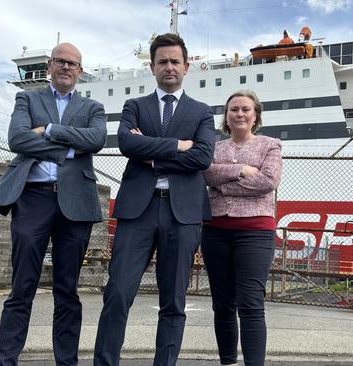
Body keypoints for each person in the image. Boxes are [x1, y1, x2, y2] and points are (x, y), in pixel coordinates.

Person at [93, 33, 215, 366]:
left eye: (175, 61)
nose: (169, 67)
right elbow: (127, 145)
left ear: (187, 66)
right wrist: (178, 146)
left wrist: (152, 153)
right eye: (162, 61)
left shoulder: (202, 112)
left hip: (183, 213)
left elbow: (203, 157)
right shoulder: (135, 106)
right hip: (138, 211)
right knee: (117, 292)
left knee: (173, 301)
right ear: (152, 67)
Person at [0, 42, 107, 366]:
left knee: (67, 290)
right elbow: (18, 139)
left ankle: (66, 362)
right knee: (22, 286)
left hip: (76, 205)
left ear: (80, 71)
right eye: (60, 61)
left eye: (73, 63)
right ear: (50, 65)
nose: (66, 67)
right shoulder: (27, 98)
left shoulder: (92, 108)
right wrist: (68, 149)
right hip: (33, 199)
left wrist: (51, 130)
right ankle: (6, 360)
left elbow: (96, 140)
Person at [201, 90, 282, 366]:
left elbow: (268, 181)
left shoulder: (270, 145)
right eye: (234, 109)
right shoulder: (213, 148)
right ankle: (228, 362)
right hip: (215, 230)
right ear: (226, 115)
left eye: (245, 109)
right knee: (222, 304)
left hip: (255, 231)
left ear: (255, 115)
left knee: (250, 303)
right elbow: (205, 173)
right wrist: (242, 170)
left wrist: (221, 181)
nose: (239, 114)